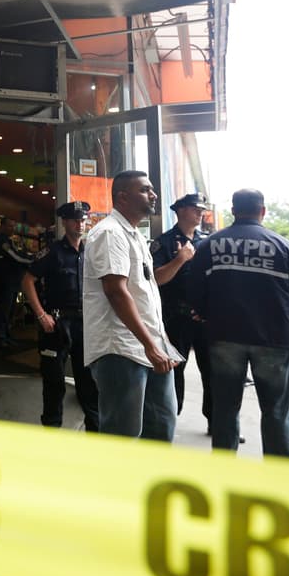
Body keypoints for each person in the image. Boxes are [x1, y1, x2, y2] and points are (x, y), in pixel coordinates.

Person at [187, 189, 289, 458]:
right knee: (276, 410)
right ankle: (279, 472)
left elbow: (194, 287)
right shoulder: (284, 247)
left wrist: (203, 311)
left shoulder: (210, 245)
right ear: (263, 211)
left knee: (225, 407)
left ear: (233, 211)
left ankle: (224, 467)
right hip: (274, 338)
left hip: (224, 336)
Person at [82, 170, 183, 441]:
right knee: (122, 436)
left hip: (150, 347)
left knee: (161, 426)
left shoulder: (135, 236)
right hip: (122, 350)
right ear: (122, 197)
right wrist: (150, 344)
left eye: (152, 189)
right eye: (145, 190)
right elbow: (116, 291)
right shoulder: (109, 233)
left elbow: (144, 289)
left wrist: (158, 339)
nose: (153, 194)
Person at [20, 201, 99, 431]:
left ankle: (96, 432)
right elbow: (27, 281)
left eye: (83, 219)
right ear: (65, 222)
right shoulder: (52, 252)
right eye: (75, 219)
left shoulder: (90, 252)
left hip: (85, 325)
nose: (80, 223)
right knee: (54, 383)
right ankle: (52, 433)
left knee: (89, 383)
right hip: (56, 325)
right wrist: (41, 315)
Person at [151, 192, 212, 427]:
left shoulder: (207, 241)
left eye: (201, 209)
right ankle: (170, 421)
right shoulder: (164, 242)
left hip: (205, 318)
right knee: (174, 373)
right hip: (176, 318)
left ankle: (216, 422)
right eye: (195, 208)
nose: (200, 212)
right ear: (181, 210)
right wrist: (180, 259)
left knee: (213, 372)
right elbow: (157, 279)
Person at [0, 216, 32, 351]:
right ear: (1, 226)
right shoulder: (1, 241)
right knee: (3, 309)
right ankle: (0, 338)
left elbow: (17, 255)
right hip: (4, 282)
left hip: (11, 282)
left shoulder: (8, 240)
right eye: (9, 226)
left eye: (13, 226)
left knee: (9, 310)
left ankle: (6, 336)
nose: (12, 228)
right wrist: (33, 260)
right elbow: (16, 257)